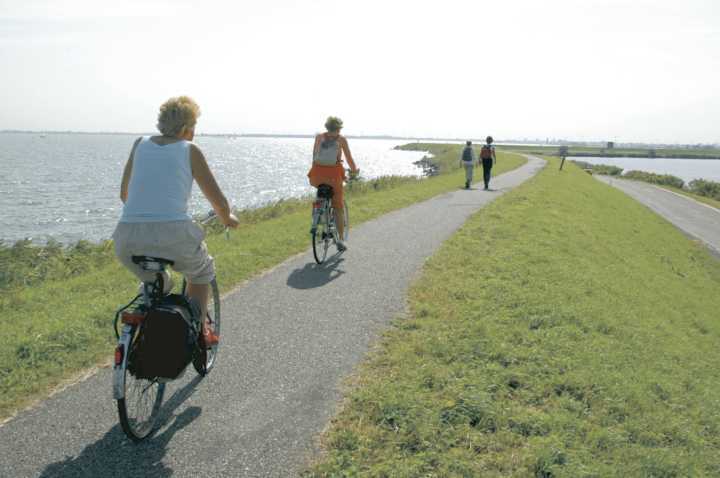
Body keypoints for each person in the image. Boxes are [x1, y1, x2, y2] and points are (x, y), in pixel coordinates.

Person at [113, 96, 239, 346]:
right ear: (185, 129)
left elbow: (124, 195)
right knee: (201, 272)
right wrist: (229, 220)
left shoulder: (139, 144)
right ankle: (197, 333)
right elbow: (219, 203)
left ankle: (150, 305)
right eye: (193, 128)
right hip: (174, 234)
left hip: (126, 237)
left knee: (158, 281)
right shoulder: (190, 150)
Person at [308, 116, 359, 251]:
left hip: (316, 174)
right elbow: (349, 158)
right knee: (338, 207)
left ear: (327, 127)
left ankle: (317, 214)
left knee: (321, 194)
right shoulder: (341, 140)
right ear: (339, 128)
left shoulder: (319, 137)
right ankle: (341, 240)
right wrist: (354, 170)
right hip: (334, 176)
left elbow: (314, 156)